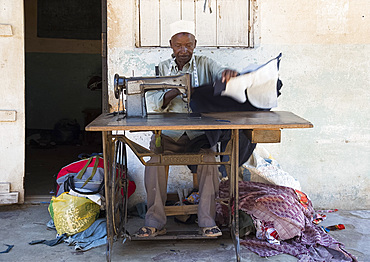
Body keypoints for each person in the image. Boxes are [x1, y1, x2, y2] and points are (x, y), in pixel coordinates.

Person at [135, 20, 238, 238]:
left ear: (195, 44)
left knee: (209, 162)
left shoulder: (205, 63)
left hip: (198, 136)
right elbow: (153, 102)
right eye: (178, 45)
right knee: (154, 163)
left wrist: (226, 74)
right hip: (168, 137)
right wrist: (174, 90)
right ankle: (155, 221)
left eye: (188, 45)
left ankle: (207, 221)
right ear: (171, 45)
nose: (184, 50)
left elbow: (220, 73)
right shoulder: (161, 69)